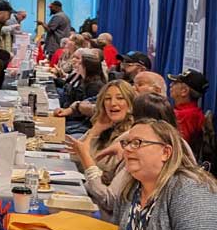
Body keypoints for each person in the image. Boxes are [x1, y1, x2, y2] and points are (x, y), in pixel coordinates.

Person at [68, 92, 180, 221]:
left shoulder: (139, 150)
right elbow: (77, 158)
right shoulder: (118, 135)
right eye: (107, 99)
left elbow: (109, 200)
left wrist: (87, 159)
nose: (112, 104)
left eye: (120, 98)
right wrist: (95, 130)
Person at [53, 51, 108, 134]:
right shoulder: (81, 79)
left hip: (81, 123)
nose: (76, 65)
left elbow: (85, 113)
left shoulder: (95, 86)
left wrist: (68, 111)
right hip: (74, 117)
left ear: (86, 67)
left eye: (80, 64)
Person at [168, 69, 209, 151]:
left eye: (175, 83)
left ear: (184, 91)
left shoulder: (184, 115)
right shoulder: (193, 112)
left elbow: (179, 146)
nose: (170, 85)